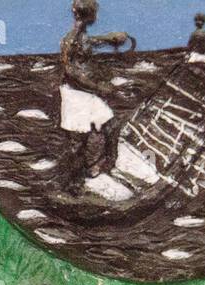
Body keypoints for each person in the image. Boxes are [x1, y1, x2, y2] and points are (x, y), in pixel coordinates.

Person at [59, 0, 131, 187]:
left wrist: (110, 38)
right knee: (78, 142)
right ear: (91, 15)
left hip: (85, 94)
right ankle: (73, 183)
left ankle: (101, 166)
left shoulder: (79, 36)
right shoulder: (71, 39)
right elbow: (70, 71)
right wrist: (98, 87)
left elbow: (88, 43)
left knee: (110, 125)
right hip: (76, 96)